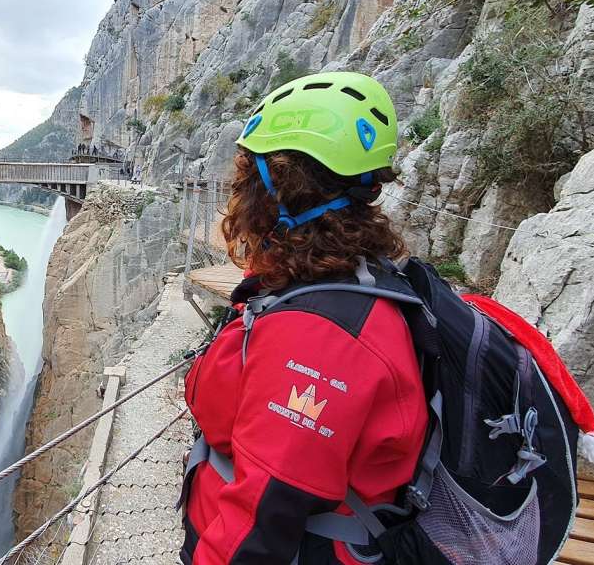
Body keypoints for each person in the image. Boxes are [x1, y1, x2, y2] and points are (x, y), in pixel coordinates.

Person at [180, 72, 427, 564]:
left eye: (246, 179)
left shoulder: (317, 337)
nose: (235, 193)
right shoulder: (346, 279)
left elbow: (263, 521)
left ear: (275, 192)